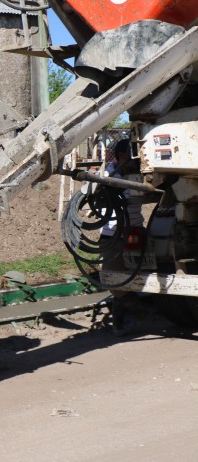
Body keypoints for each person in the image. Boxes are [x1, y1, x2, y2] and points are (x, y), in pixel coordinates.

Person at [99, 138, 143, 335]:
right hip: (113, 234)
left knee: (135, 274)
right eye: (132, 155)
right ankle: (125, 316)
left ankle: (131, 313)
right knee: (115, 278)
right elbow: (105, 193)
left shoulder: (139, 174)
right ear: (122, 156)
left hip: (135, 230)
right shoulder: (107, 174)